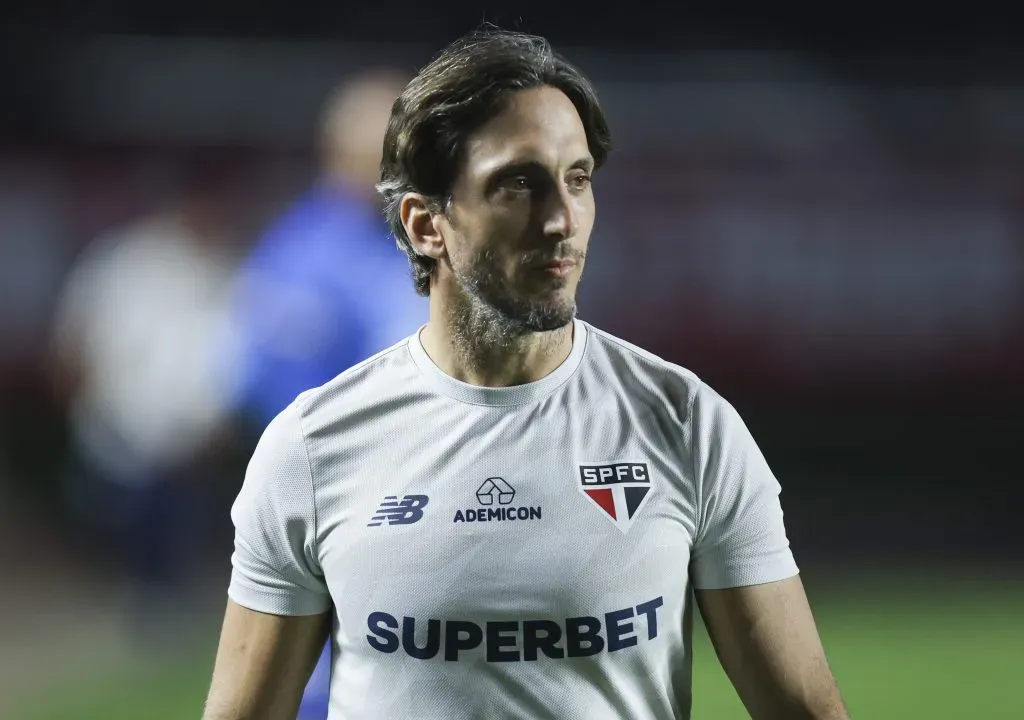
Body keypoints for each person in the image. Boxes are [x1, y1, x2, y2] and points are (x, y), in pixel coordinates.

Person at [203, 27, 850, 720]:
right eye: (519, 184)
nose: (562, 220)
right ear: (426, 225)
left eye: (577, 179)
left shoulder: (688, 426)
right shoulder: (309, 449)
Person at [224, 69, 428, 719]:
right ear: (339, 152)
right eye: (386, 147)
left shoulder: (421, 242)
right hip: (343, 514)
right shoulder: (301, 256)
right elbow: (267, 392)